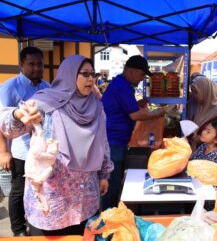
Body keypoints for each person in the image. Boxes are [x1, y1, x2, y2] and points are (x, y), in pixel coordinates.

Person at [0, 55, 114, 236]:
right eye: (85, 74)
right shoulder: (45, 103)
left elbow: (103, 143)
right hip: (52, 196)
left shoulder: (95, 106)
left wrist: (104, 175)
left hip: (85, 196)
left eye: (93, 74)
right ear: (69, 75)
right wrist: (16, 114)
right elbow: (9, 127)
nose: (91, 79)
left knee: (81, 237)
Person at [101, 55, 167, 210]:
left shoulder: (121, 84)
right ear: (131, 71)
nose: (142, 78)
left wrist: (136, 104)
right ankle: (107, 220)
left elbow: (124, 109)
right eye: (141, 75)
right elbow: (135, 115)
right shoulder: (122, 86)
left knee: (114, 183)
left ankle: (110, 216)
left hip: (115, 141)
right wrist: (160, 112)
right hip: (113, 142)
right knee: (111, 185)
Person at [0, 46, 50, 236]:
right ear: (21, 65)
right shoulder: (9, 87)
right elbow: (0, 121)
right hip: (21, 150)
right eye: (31, 64)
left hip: (42, 150)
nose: (37, 68)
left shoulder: (47, 87)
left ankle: (35, 223)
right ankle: (18, 230)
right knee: (18, 191)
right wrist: (3, 151)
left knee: (39, 189)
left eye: (40, 64)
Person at [187, 77, 217, 149]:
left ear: (206, 91)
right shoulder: (200, 107)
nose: (193, 95)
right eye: (192, 91)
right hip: (196, 151)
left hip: (208, 154)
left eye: (196, 92)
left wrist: (201, 139)